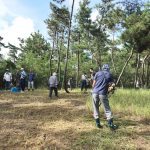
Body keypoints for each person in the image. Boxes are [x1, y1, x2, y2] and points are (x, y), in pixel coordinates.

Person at [92, 64, 117, 129]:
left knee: (95, 108)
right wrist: (111, 89)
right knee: (107, 109)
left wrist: (94, 90)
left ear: (102, 68)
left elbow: (93, 84)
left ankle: (97, 123)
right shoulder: (109, 74)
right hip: (102, 93)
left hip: (94, 93)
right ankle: (110, 124)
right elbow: (113, 85)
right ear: (108, 69)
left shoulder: (97, 73)